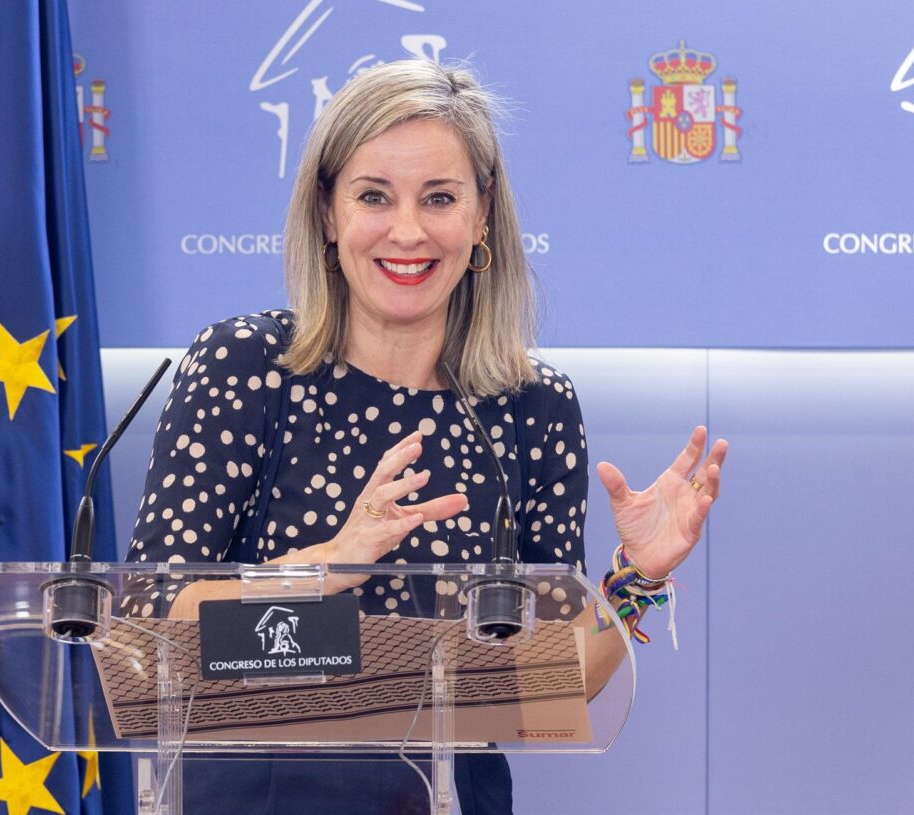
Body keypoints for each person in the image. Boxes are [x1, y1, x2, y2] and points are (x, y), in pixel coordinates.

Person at [123, 59, 726, 815]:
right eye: (374, 195)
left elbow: (547, 681)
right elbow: (150, 629)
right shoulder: (246, 367)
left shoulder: (531, 407)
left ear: (480, 216)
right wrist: (324, 566)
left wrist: (633, 576)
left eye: (439, 198)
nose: (407, 231)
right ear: (326, 213)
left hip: (452, 793)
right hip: (258, 787)